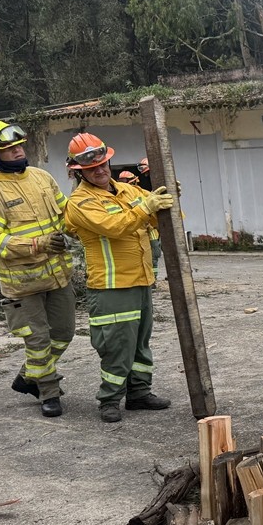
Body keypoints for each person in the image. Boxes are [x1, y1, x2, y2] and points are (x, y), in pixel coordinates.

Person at [63, 132, 174, 423]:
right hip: (111, 286)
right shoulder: (80, 202)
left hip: (140, 280)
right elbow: (113, 226)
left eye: (103, 164)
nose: (100, 170)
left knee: (140, 341)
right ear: (79, 172)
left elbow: (154, 216)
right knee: (116, 345)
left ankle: (139, 393)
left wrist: (167, 198)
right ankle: (110, 399)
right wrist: (147, 207)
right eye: (92, 168)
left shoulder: (128, 191)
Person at [0, 121, 75, 417]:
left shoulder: (42, 178)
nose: (18, 151)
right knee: (38, 339)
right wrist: (37, 244)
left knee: (64, 333)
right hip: (23, 283)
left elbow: (66, 214)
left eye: (18, 145)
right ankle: (48, 392)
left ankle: (28, 375)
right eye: (9, 149)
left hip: (58, 275)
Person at [117, 169, 162, 270]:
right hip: (133, 231)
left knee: (154, 254)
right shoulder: (119, 196)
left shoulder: (142, 193)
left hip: (150, 230)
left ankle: (153, 282)